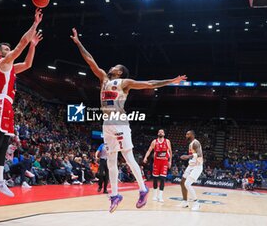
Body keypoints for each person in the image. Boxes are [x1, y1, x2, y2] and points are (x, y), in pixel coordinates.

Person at [71, 28, 187, 213]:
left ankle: (143, 188)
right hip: (106, 123)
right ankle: (115, 195)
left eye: (116, 67)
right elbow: (90, 60)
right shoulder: (103, 78)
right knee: (110, 159)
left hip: (119, 120)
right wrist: (78, 43)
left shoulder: (124, 83)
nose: (112, 67)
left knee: (127, 157)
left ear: (120, 73)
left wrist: (171, 81)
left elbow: (149, 83)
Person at [0, 8, 44, 199]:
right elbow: (20, 45)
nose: (9, 50)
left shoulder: (11, 68)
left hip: (8, 105)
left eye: (8, 49)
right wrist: (35, 24)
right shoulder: (2, 63)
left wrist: (33, 45)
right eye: (6, 49)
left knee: (5, 142)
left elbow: (28, 64)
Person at [143, 129, 172, 202]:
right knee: (155, 179)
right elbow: (149, 150)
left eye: (162, 132)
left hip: (164, 162)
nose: (160, 133)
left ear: (164, 134)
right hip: (156, 162)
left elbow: (170, 151)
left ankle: (160, 196)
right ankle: (154, 195)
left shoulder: (167, 141)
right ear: (157, 133)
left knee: (162, 179)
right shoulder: (154, 141)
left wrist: (170, 161)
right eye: (159, 132)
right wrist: (145, 157)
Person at [180, 130, 203, 211]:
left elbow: (199, 154)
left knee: (187, 184)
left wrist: (188, 156)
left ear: (192, 135)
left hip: (197, 166)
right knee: (182, 182)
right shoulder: (191, 143)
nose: (186, 135)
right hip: (191, 165)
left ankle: (197, 203)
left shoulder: (196, 143)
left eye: (188, 134)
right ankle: (185, 202)